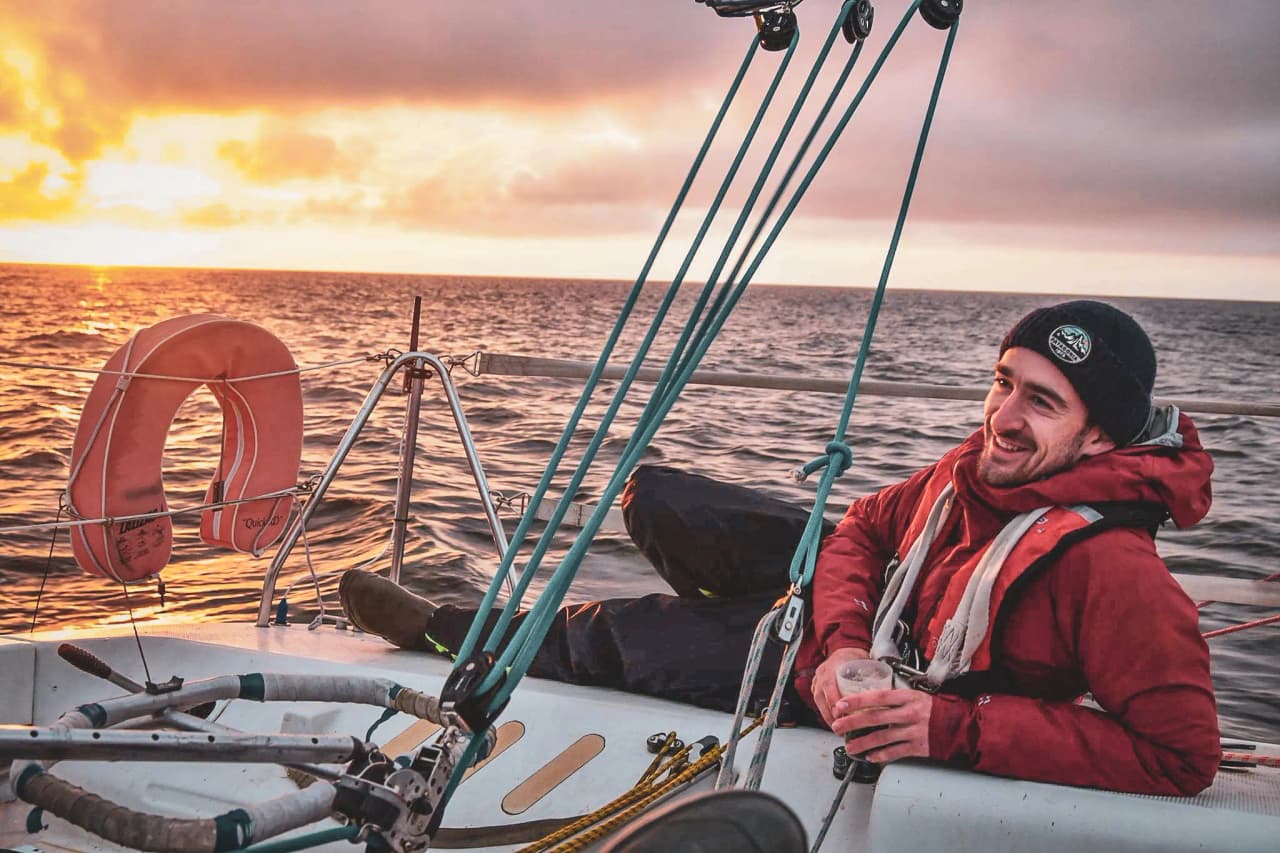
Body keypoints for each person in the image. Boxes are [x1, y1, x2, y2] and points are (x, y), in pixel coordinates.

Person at [339, 300, 1220, 796]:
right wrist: (840, 642)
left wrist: (952, 726)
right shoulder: (971, 470)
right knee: (661, 496)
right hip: (857, 633)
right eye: (1003, 383)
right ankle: (749, 625)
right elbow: (869, 528)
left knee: (632, 634)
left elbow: (1184, 755)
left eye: (1043, 401)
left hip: (902, 684)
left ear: (1102, 439)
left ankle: (450, 630)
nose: (1005, 417)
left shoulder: (1113, 570)